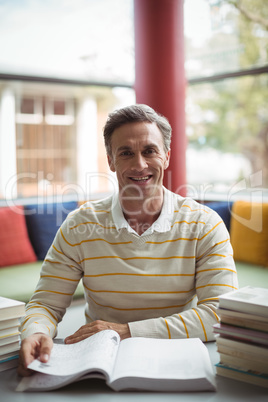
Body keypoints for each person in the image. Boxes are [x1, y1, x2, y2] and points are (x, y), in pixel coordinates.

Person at [18, 104, 238, 376]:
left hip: (177, 356)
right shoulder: (79, 224)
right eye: (126, 153)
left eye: (149, 151)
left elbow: (220, 314)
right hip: (100, 362)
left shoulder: (204, 224)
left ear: (166, 157)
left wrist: (125, 331)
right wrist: (35, 331)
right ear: (110, 160)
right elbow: (45, 305)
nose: (140, 164)